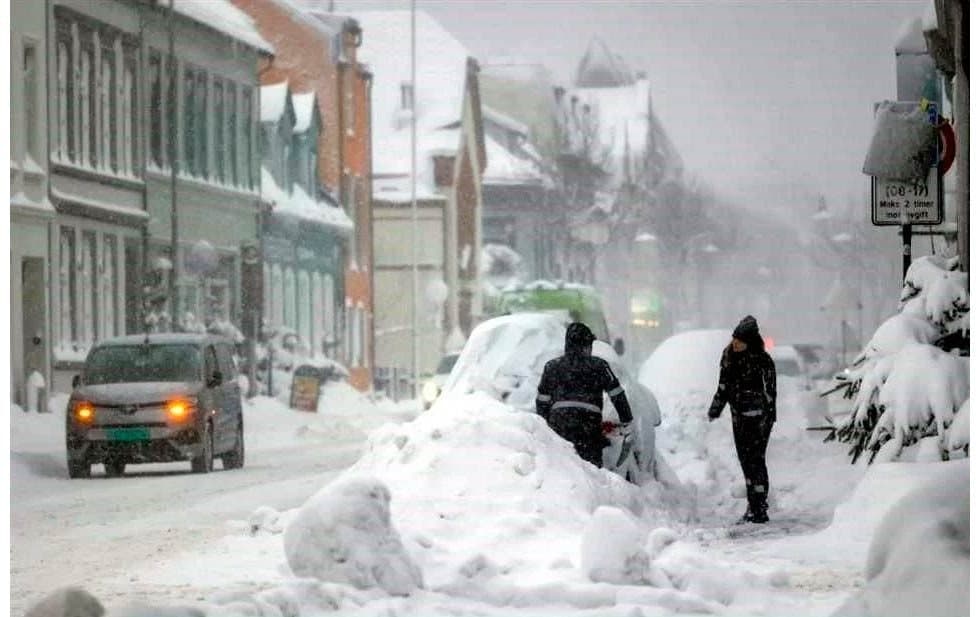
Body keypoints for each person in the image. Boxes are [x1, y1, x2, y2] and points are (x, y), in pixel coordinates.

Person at [707, 315, 777, 524]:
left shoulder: (762, 361)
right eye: (734, 339)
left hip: (759, 420)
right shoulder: (729, 358)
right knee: (747, 462)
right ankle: (754, 504)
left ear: (750, 342)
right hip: (740, 418)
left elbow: (771, 392)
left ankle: (759, 507)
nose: (735, 343)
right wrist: (715, 409)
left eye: (740, 340)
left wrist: (770, 417)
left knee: (756, 461)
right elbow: (723, 387)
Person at [536, 322, 633, 467]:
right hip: (588, 425)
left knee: (561, 467)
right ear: (587, 345)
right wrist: (627, 420)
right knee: (591, 471)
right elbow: (617, 395)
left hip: (560, 423)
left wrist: (546, 425)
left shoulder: (552, 367)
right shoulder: (599, 366)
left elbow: (542, 402)